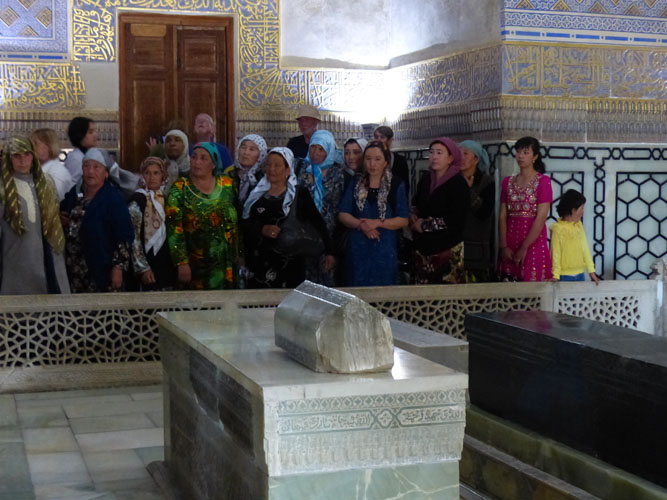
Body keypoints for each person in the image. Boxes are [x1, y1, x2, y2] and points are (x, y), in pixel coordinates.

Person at [242, 147, 331, 288]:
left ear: (288, 170)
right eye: (268, 164)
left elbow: (317, 222)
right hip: (260, 261)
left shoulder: (299, 194)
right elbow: (245, 223)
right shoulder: (255, 195)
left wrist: (330, 252)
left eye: (277, 165)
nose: (272, 169)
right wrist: (262, 229)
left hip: (291, 264)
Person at [0, 137, 70, 294]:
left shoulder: (46, 184)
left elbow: (53, 229)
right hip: (13, 263)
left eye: (27, 154)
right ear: (9, 158)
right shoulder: (3, 187)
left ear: (33, 156)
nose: (22, 160)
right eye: (16, 156)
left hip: (45, 262)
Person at [166, 142, 239, 290]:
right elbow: (174, 228)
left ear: (213, 164)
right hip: (194, 264)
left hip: (225, 262)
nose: (197, 162)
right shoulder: (180, 188)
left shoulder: (227, 185)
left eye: (203, 158)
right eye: (194, 157)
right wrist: (181, 262)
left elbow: (236, 225)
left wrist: (240, 254)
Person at [61, 148, 134, 293]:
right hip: (75, 268)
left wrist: (118, 268)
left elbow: (124, 237)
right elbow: (62, 211)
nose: (90, 171)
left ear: (106, 173)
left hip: (102, 268)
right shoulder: (75, 194)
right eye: (86, 166)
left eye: (96, 167)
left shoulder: (113, 198)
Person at [338, 141, 409, 286]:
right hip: (358, 249)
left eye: (377, 159)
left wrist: (377, 223)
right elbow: (343, 214)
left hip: (384, 249)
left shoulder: (396, 184)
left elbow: (403, 219)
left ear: (386, 162)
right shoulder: (356, 182)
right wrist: (361, 225)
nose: (372, 164)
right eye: (368, 159)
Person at [410, 137, 470, 284]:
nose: (434, 157)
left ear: (450, 158)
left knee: (446, 293)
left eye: (439, 153)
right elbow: (416, 203)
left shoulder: (458, 183)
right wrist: (413, 215)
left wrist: (425, 225)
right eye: (431, 152)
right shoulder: (426, 179)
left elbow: (457, 219)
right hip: (424, 247)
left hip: (447, 247)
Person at [498, 136, 553, 282]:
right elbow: (502, 216)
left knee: (532, 286)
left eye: (526, 152)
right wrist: (503, 246)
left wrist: (525, 247)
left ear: (535, 156)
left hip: (533, 242)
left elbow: (541, 218)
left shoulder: (543, 182)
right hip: (510, 240)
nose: (520, 156)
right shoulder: (507, 182)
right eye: (518, 152)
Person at [298, 129, 343, 285]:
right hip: (304, 235)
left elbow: (338, 210)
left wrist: (332, 250)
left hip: (328, 236)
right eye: (312, 147)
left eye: (321, 149)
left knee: (326, 283)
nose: (315, 153)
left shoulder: (337, 174)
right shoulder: (301, 169)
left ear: (329, 151)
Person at [128, 157, 175, 291]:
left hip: (165, 261)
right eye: (147, 173)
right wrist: (143, 267)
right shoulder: (137, 200)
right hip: (145, 262)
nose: (151, 177)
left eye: (156, 173)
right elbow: (134, 237)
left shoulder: (168, 198)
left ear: (163, 175)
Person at [459, 140, 495, 282]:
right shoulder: (452, 180)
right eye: (459, 154)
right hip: (453, 247)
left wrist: (468, 191)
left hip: (476, 249)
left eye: (465, 154)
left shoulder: (487, 183)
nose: (461, 157)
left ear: (476, 159)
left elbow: (484, 213)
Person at [550, 189, 599, 284]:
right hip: (564, 276)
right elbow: (555, 253)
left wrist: (591, 271)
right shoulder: (557, 229)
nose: (583, 212)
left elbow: (585, 248)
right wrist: (556, 275)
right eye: (582, 209)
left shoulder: (579, 225)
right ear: (573, 210)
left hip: (580, 274)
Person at [30, 128, 74, 201]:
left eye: (35, 143)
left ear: (49, 146)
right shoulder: (36, 170)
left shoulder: (57, 173)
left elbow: (52, 201)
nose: (31, 147)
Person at [225, 134, 267, 207]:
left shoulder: (264, 179)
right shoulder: (228, 173)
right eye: (243, 147)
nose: (246, 152)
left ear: (261, 154)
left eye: (252, 149)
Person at [373, 126, 410, 197]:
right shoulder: (370, 159)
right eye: (376, 137)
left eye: (382, 137)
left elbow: (405, 185)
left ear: (390, 140)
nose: (378, 140)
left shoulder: (400, 160)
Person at [65, 116, 98, 185]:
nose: (95, 135)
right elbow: (74, 185)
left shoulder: (92, 155)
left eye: (95, 131)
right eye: (90, 132)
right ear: (80, 135)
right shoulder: (75, 158)